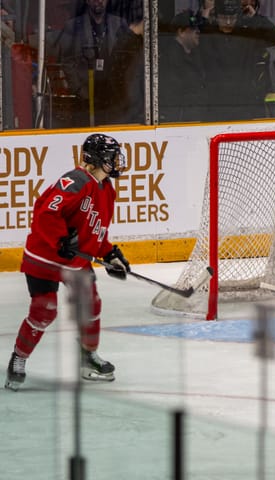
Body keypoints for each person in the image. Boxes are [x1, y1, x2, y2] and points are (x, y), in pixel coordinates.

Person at [5, 134, 130, 391]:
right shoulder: (75, 181)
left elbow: (95, 231)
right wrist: (61, 240)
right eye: (111, 157)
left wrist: (109, 254)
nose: (116, 162)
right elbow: (46, 212)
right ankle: (18, 359)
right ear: (96, 159)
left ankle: (87, 357)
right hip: (45, 256)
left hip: (74, 262)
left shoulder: (107, 190)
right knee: (44, 309)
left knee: (91, 304)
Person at [200, 0, 275, 120]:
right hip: (216, 107)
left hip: (244, 106)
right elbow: (193, 37)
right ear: (216, 17)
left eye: (232, 18)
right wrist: (204, 20)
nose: (228, 22)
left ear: (238, 17)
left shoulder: (247, 35)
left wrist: (255, 17)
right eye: (223, 17)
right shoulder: (208, 36)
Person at [57, 0, 132, 126]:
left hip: (113, 98)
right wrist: (79, 90)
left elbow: (128, 59)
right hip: (85, 99)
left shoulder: (119, 24)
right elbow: (67, 62)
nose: (99, 1)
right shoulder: (73, 26)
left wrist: (122, 89)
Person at [158, 10, 209, 122]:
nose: (198, 31)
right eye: (193, 29)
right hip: (181, 124)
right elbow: (172, 98)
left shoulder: (196, 54)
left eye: (198, 28)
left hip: (198, 120)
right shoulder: (169, 60)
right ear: (180, 32)